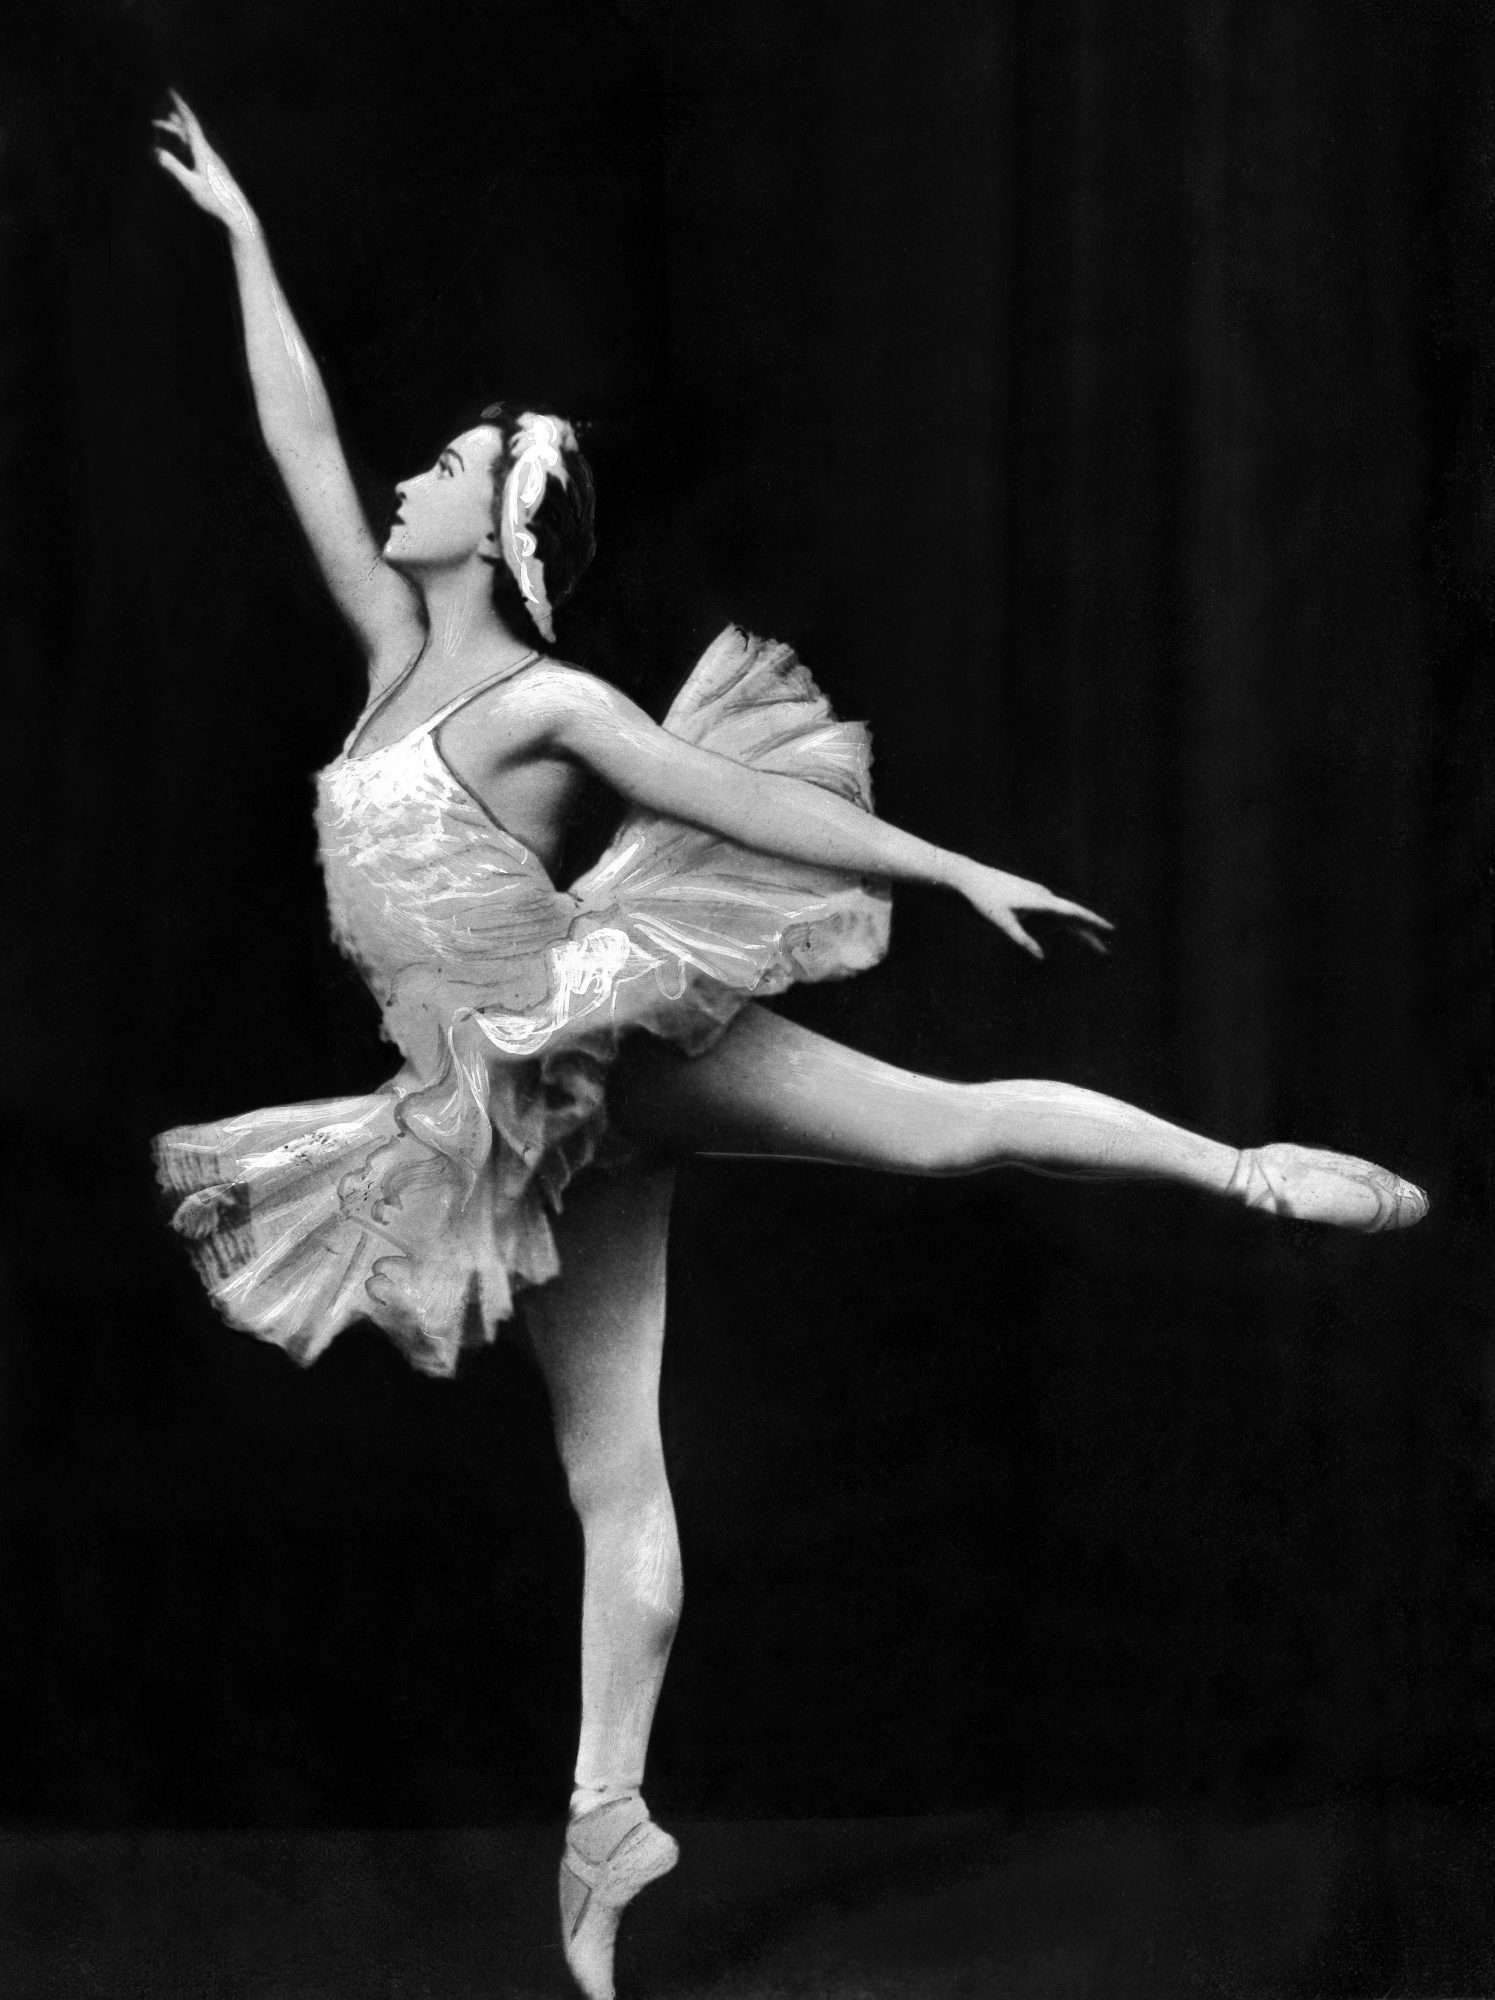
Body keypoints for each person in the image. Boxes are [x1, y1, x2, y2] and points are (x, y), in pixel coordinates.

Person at [150, 94, 1427, 2000]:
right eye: (421, 459)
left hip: (603, 1039)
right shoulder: (382, 654)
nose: (406, 477)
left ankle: (1235, 1169)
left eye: (449, 465)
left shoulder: (540, 700)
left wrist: (951, 863)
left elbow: (744, 811)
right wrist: (247, 236)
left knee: (936, 1133)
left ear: (493, 531)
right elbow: (299, 436)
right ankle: (605, 1822)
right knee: (615, 1481)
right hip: (517, 1120)